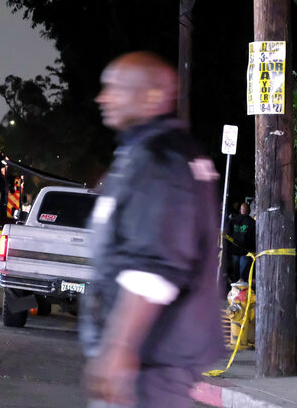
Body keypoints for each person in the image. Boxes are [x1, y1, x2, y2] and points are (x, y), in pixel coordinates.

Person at [81, 51, 222, 408]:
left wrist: (119, 349)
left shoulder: (160, 159)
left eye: (114, 88)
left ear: (150, 96)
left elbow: (153, 266)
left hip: (149, 365)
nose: (103, 97)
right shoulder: (154, 153)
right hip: (151, 361)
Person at [228, 202, 256, 283]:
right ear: (249, 211)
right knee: (243, 276)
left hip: (234, 251)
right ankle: (242, 291)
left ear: (240, 210)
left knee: (235, 273)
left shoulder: (233, 220)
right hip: (246, 252)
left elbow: (227, 234)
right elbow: (255, 238)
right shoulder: (252, 222)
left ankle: (233, 290)